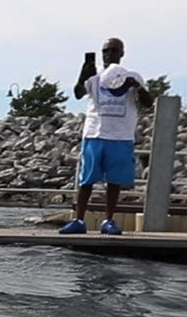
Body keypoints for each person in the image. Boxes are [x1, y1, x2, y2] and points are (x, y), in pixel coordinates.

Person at [61, 36, 149, 235]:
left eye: (114, 51)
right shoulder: (95, 77)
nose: (109, 54)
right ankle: (78, 220)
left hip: (120, 136)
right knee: (86, 180)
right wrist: (83, 75)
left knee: (114, 181)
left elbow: (148, 102)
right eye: (106, 51)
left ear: (122, 53)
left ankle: (108, 221)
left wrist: (136, 86)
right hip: (94, 133)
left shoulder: (131, 76)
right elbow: (77, 93)